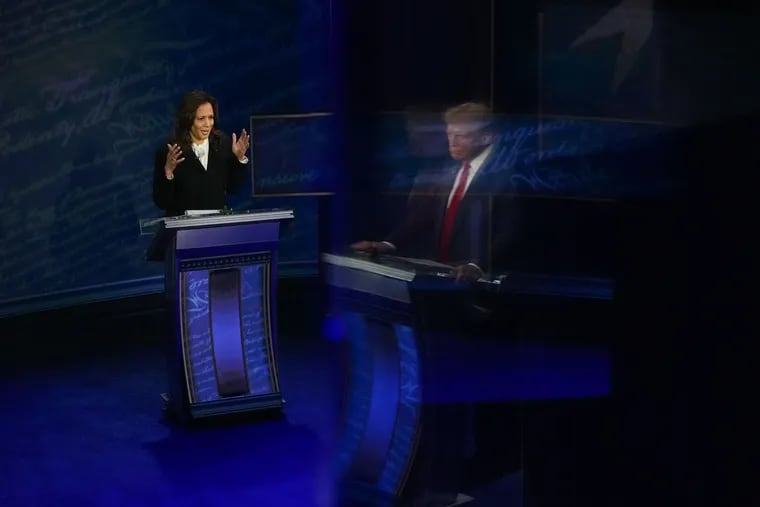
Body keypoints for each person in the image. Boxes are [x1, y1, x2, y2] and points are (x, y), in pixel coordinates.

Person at [351, 102, 514, 282]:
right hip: (443, 274)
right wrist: (388, 244)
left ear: (486, 137)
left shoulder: (508, 174)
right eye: (449, 134)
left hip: (483, 282)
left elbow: (509, 233)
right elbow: (426, 213)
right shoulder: (450, 165)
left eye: (460, 136)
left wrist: (478, 265)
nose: (452, 143)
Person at [153, 90, 250, 217]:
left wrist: (239, 159)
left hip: (217, 229)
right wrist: (168, 173)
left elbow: (233, 187)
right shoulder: (170, 152)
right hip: (184, 232)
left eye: (211, 118)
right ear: (188, 120)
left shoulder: (222, 144)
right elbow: (162, 202)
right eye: (201, 119)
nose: (208, 124)